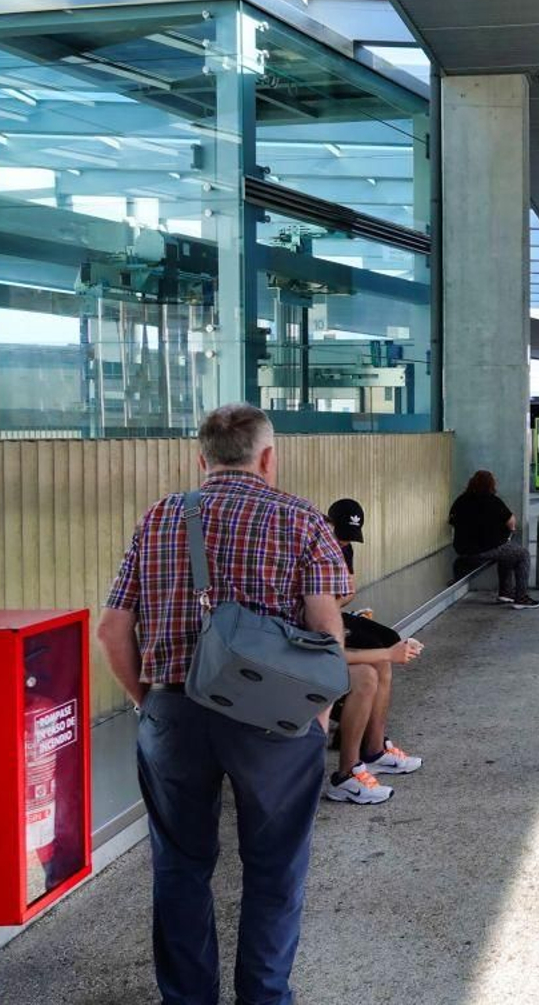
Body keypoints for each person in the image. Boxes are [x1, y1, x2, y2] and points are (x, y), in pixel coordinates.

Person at [97, 403, 353, 1005]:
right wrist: (318, 713)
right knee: (274, 868)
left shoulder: (160, 517)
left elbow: (111, 631)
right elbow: (325, 628)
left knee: (180, 867)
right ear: (267, 457)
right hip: (274, 720)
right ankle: (264, 997)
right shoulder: (299, 518)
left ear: (200, 458)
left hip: (173, 713)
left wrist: (149, 703)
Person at [323, 499, 426, 805]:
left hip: (323, 620)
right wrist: (389, 654)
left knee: (382, 653)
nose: (342, 542)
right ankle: (348, 770)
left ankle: (374, 751)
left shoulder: (340, 551)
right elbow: (330, 645)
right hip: (313, 630)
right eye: (339, 534)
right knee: (370, 669)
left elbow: (344, 594)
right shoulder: (316, 558)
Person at [448, 471, 539, 609]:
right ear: (491, 484)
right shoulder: (492, 501)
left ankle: (506, 593)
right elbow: (511, 522)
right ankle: (521, 598)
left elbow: (451, 521)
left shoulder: (460, 500)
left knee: (508, 553)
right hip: (486, 549)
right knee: (522, 554)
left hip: (462, 549)